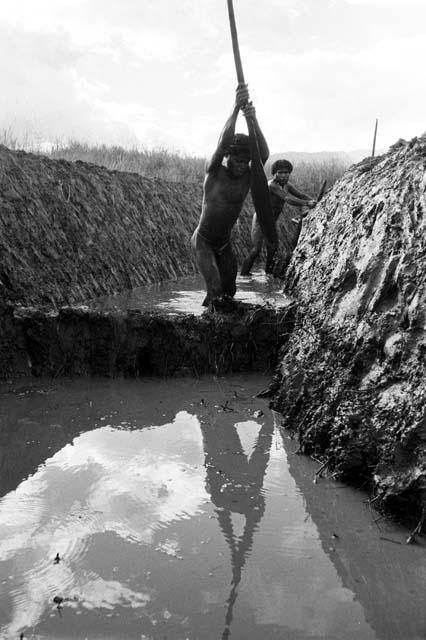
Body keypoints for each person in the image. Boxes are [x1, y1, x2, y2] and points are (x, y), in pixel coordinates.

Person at [191, 84, 269, 309]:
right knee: (215, 290)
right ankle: (206, 330)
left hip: (224, 244)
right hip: (204, 241)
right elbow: (222, 142)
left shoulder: (248, 176)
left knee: (229, 292)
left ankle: (211, 317)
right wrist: (236, 109)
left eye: (246, 161)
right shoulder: (214, 170)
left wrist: (253, 119)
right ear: (227, 156)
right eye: (237, 160)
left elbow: (263, 154)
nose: (242, 165)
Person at [240, 159, 317, 277]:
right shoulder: (272, 185)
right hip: (261, 220)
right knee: (256, 249)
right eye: (280, 172)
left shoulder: (287, 185)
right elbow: (288, 199)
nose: (284, 175)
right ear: (275, 173)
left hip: (271, 221)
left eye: (286, 172)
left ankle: (268, 274)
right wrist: (307, 203)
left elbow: (300, 195)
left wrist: (315, 201)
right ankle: (244, 275)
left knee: (273, 247)